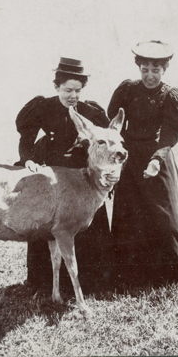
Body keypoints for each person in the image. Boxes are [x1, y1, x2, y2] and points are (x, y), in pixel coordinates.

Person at [107, 41, 178, 292]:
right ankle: (132, 277)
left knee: (166, 215)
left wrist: (156, 159)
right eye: (145, 69)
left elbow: (171, 134)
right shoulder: (127, 90)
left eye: (156, 70)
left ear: (165, 69)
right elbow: (114, 122)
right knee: (130, 216)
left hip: (158, 157)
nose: (150, 75)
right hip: (130, 160)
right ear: (138, 67)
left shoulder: (171, 96)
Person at [15, 57, 113, 293]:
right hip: (51, 176)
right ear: (56, 86)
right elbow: (26, 139)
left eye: (78, 90)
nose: (73, 95)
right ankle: (44, 283)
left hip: (82, 180)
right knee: (47, 223)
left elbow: (106, 145)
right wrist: (28, 159)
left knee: (86, 224)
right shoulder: (42, 107)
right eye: (67, 89)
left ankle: (91, 282)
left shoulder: (91, 112)